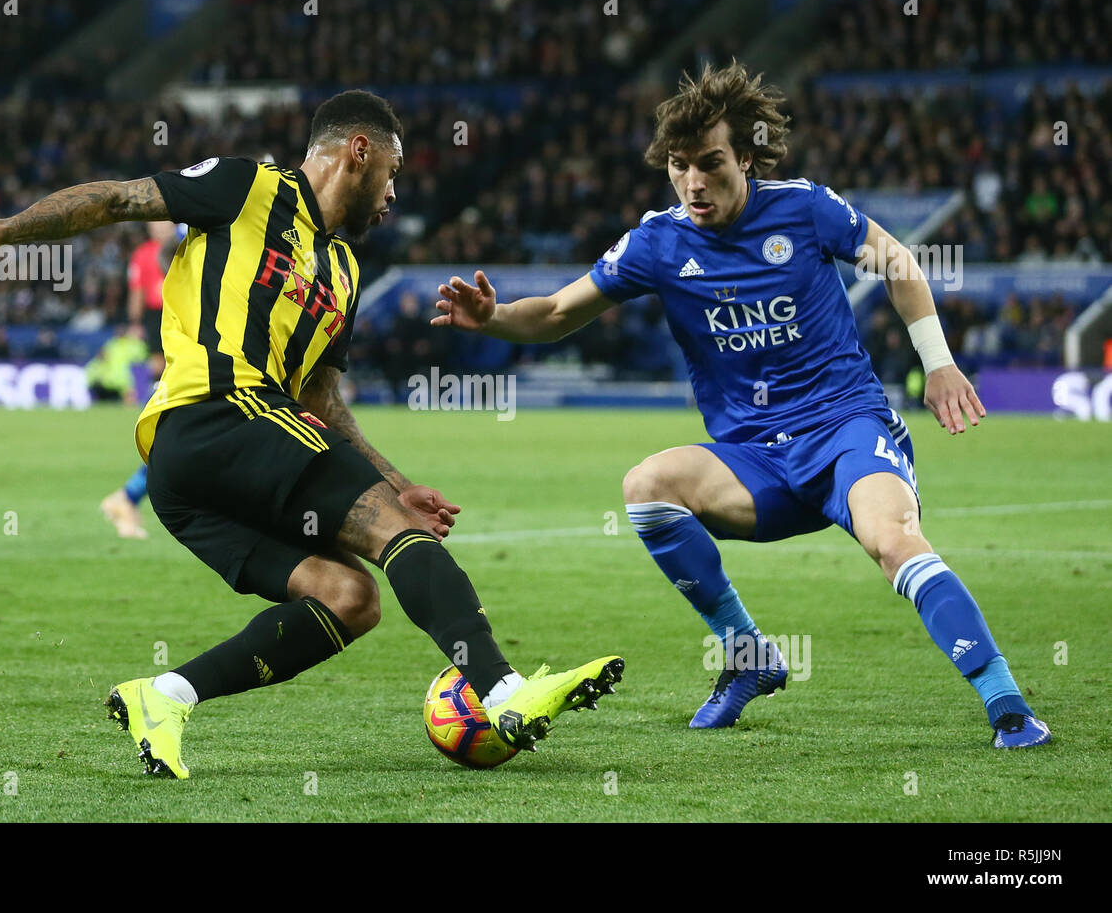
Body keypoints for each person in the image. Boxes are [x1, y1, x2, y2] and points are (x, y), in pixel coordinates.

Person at [0, 89, 623, 778]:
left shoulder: (347, 273)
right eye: (391, 174)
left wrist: (397, 486)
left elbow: (323, 401)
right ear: (358, 152)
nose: (392, 196)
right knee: (393, 539)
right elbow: (119, 201)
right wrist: (5, 231)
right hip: (215, 410)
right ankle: (506, 692)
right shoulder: (248, 186)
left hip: (201, 481)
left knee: (349, 599)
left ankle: (164, 696)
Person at [432, 63, 1049, 749]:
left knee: (893, 542)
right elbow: (551, 313)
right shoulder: (658, 243)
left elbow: (900, 264)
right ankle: (749, 656)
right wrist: (492, 319)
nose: (694, 182)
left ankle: (1009, 706)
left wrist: (938, 365)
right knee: (647, 488)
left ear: (747, 158)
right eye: (680, 165)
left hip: (846, 430)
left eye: (711, 164)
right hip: (755, 462)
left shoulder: (804, 208)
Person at [100, 222, 183, 540]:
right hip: (165, 317)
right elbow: (137, 290)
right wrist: (135, 322)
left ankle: (127, 497)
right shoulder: (147, 254)